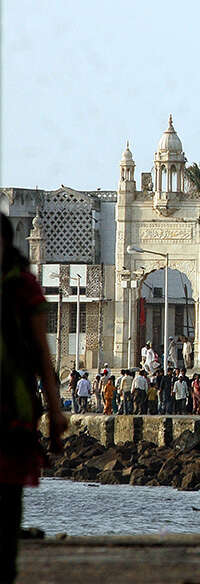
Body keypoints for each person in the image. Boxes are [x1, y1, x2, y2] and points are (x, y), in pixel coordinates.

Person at [0, 213, 68, 583]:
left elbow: (43, 354)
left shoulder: (23, 287)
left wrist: (56, 412)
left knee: (9, 497)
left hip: (13, 404)